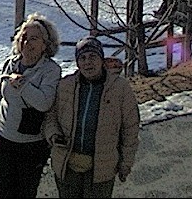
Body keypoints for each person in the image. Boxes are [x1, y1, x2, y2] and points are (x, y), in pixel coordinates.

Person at [43, 36, 140, 199]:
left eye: (93, 56)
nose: (88, 62)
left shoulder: (119, 88)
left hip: (102, 167)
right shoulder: (65, 85)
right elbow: (51, 117)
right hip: (67, 164)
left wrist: (126, 163)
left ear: (101, 60)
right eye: (83, 58)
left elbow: (130, 128)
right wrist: (53, 135)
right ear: (77, 63)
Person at [0, 13, 62, 198]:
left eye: (34, 39)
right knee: (0, 193)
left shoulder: (51, 70)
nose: (27, 42)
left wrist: (23, 85)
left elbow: (44, 103)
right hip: (3, 140)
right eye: (23, 37)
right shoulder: (11, 64)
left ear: (45, 44)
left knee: (25, 193)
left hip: (31, 146)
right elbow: (0, 98)